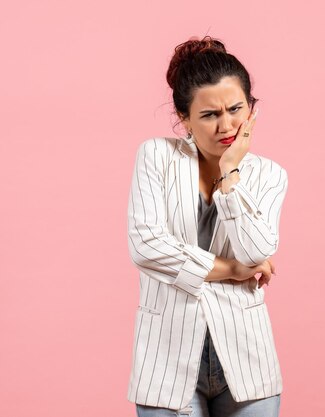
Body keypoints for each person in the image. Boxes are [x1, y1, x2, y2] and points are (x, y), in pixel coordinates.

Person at [126, 35, 289, 417]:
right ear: (184, 118)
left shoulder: (269, 176)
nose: (227, 124)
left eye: (236, 109)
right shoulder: (156, 157)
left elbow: (256, 251)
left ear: (252, 108)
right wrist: (232, 270)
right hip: (166, 363)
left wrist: (230, 173)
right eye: (209, 114)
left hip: (247, 364)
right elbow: (146, 246)